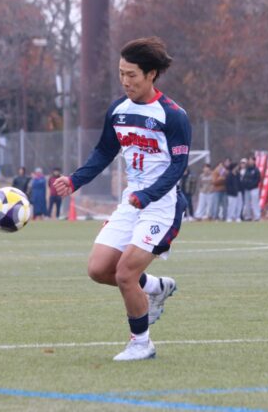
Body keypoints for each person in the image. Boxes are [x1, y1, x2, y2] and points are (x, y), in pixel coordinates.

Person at [54, 36, 191, 361]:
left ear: (151, 74)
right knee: (99, 269)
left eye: (132, 74)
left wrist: (148, 194)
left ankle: (141, 344)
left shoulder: (173, 115)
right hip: (133, 201)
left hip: (162, 205)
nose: (125, 81)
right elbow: (104, 151)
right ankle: (155, 287)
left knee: (125, 274)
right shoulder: (118, 110)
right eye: (121, 73)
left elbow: (178, 166)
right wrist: (74, 180)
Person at [241, 156, 261, 221]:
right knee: (247, 203)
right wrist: (245, 184)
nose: (250, 161)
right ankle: (248, 216)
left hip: (254, 189)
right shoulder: (247, 170)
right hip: (247, 189)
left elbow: (258, 179)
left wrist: (252, 184)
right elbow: (244, 178)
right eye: (249, 160)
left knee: (255, 203)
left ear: (254, 161)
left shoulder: (256, 170)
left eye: (251, 160)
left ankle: (257, 216)